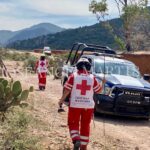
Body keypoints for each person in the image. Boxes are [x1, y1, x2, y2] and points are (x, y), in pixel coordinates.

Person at [59, 58, 104, 150]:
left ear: (78, 66)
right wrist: (102, 83)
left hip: (75, 105)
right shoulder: (92, 78)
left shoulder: (73, 76)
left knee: (73, 123)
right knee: (85, 125)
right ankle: (83, 147)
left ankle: (76, 139)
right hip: (88, 107)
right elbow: (98, 90)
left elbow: (67, 90)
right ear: (88, 67)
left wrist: (61, 100)